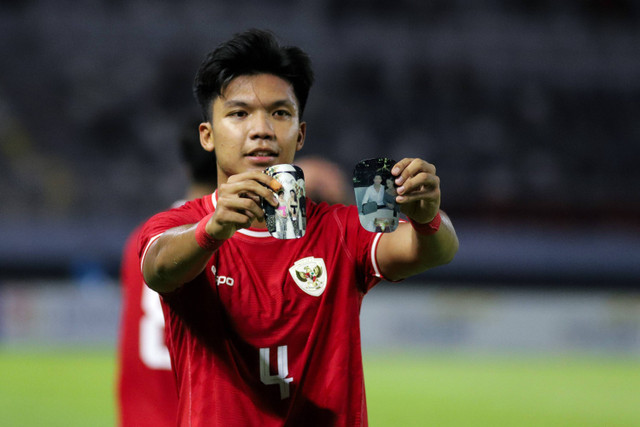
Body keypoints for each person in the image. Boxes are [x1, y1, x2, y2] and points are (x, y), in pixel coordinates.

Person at [138, 29, 458, 426]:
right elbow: (158, 268)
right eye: (239, 114)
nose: (262, 130)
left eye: (280, 113)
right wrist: (213, 228)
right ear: (208, 135)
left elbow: (434, 250)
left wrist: (427, 216)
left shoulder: (339, 229)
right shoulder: (179, 226)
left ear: (300, 133)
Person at [117, 118, 217, 427]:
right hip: (195, 415)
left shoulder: (142, 240)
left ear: (186, 168)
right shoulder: (224, 242)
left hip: (140, 416)